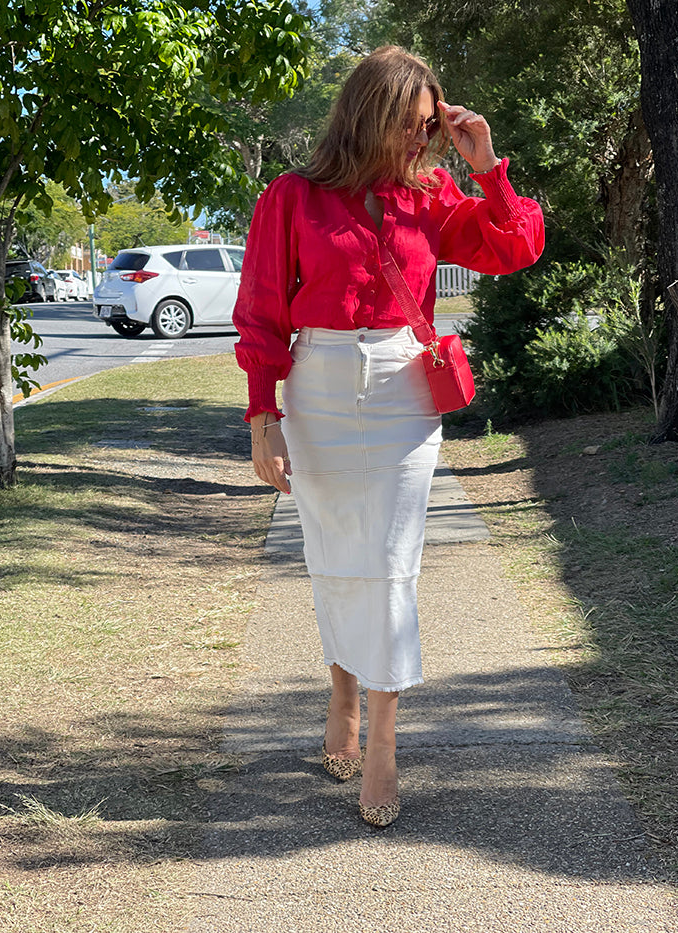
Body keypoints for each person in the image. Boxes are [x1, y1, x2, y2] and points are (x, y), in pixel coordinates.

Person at [233, 46, 544, 827]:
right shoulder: (293, 197)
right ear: (368, 116)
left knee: (393, 564)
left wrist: (487, 167)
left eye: (428, 129)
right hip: (320, 391)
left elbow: (517, 245)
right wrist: (261, 418)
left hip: (406, 391)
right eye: (409, 128)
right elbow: (263, 313)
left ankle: (383, 746)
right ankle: (342, 685)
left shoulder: (433, 194)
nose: (420, 143)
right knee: (335, 556)